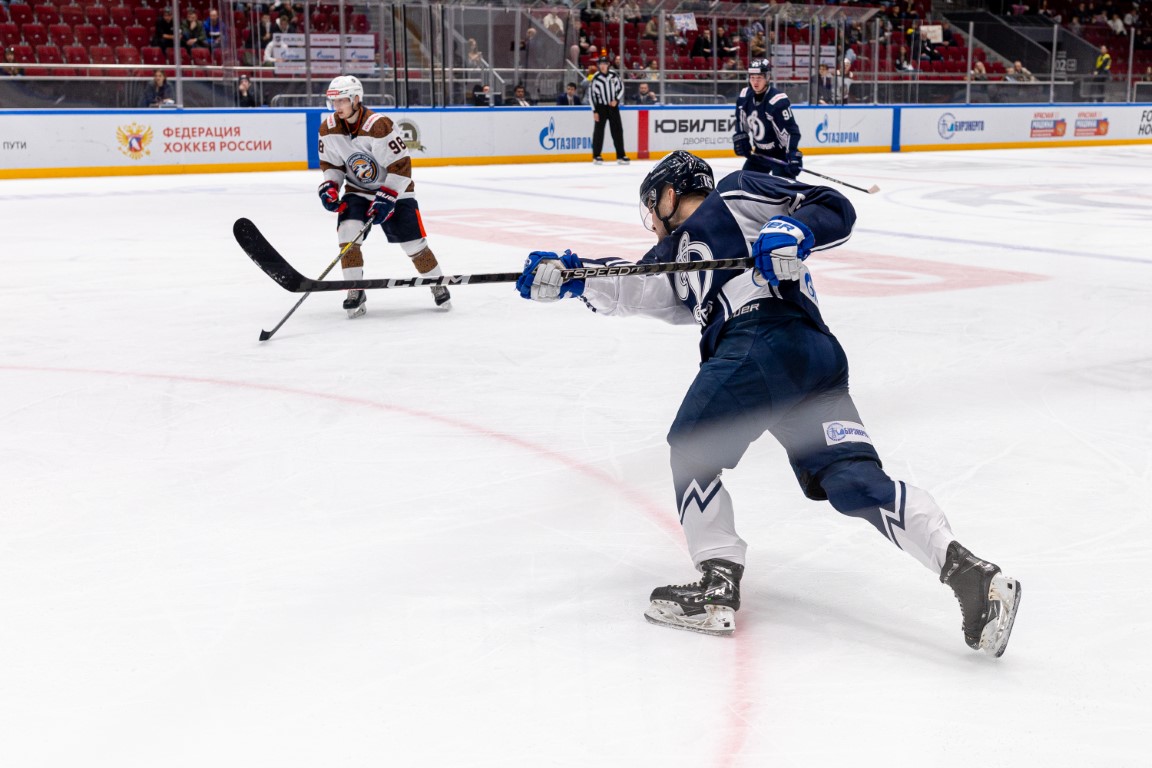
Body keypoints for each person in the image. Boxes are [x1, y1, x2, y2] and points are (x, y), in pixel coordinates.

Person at [513, 150, 1023, 655]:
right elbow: (635, 286)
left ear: (670, 193)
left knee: (692, 448)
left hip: (760, 343)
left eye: (654, 207)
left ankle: (716, 584)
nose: (653, 223)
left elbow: (830, 205)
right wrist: (572, 274)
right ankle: (972, 575)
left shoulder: (734, 196)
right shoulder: (679, 260)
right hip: (814, 363)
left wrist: (794, 230)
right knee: (851, 480)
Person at [316, 75, 451, 316]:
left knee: (413, 245)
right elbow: (331, 164)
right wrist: (331, 186)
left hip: (396, 191)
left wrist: (387, 197)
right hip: (358, 191)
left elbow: (401, 165)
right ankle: (354, 289)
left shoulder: (379, 125)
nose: (337, 108)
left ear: (356, 99)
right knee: (348, 234)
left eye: (342, 102)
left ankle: (436, 282)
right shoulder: (328, 128)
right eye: (333, 102)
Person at [733, 58, 802, 179]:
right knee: (745, 183)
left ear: (767, 77)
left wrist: (792, 153)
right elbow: (740, 121)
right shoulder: (744, 96)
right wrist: (741, 137)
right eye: (752, 78)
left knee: (784, 191)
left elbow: (792, 131)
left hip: (780, 155)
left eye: (759, 78)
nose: (755, 82)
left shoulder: (777, 101)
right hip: (760, 154)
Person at [588, 55, 630, 165]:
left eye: (604, 64)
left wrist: (616, 100)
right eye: (600, 64)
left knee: (617, 131)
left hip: (613, 107)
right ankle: (596, 155)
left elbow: (621, 88)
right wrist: (594, 111)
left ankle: (621, 155)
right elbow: (591, 95)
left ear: (608, 65)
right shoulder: (596, 78)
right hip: (601, 107)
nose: (602, 66)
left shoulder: (613, 75)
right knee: (599, 132)